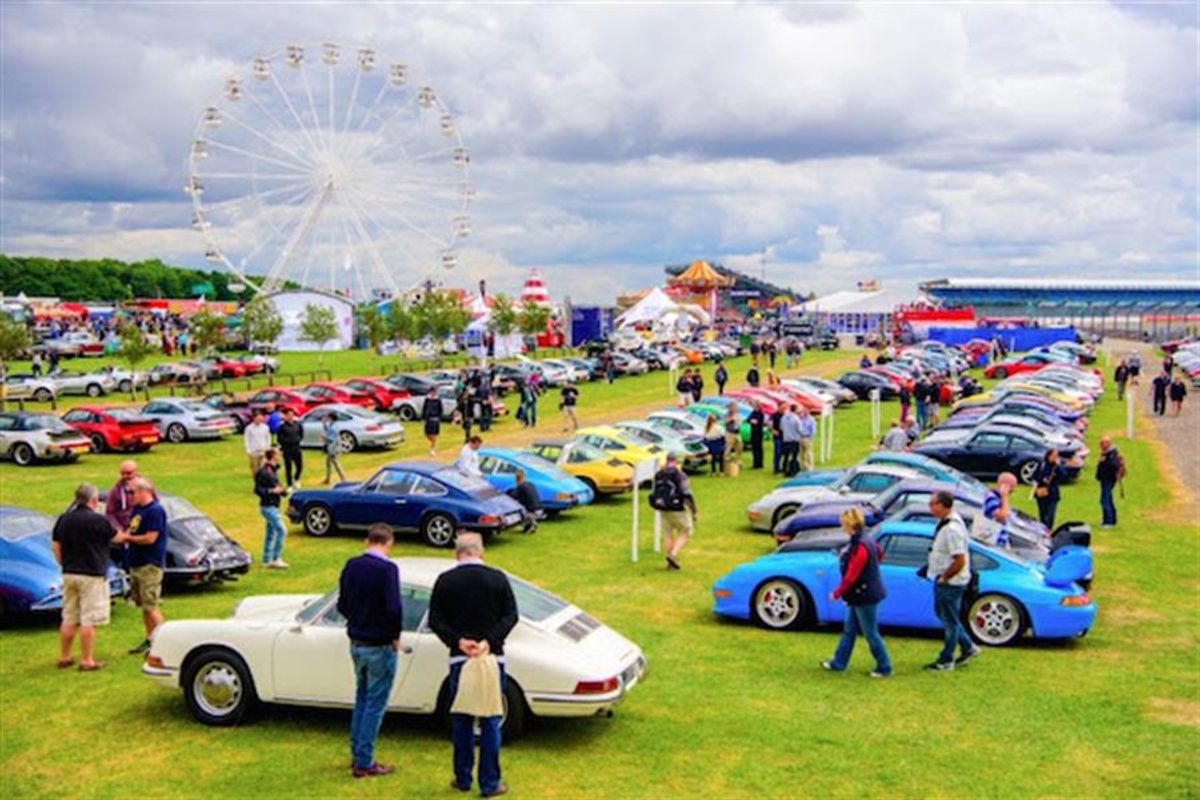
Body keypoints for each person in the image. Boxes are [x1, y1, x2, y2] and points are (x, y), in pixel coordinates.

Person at [428, 533, 518, 798]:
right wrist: (490, 641)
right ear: (481, 552)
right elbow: (511, 615)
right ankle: (490, 782)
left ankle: (462, 776)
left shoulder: (446, 581)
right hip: (492, 657)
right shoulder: (497, 578)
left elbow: (436, 619)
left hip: (460, 658)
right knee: (490, 718)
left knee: (461, 717)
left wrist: (458, 641)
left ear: (457, 553)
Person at [337, 523, 402, 778]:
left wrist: (358, 620)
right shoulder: (387, 570)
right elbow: (394, 608)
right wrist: (394, 636)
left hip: (357, 641)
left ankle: (357, 751)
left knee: (362, 698)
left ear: (368, 541)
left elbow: (343, 603)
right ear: (389, 543)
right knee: (375, 702)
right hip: (379, 643)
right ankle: (364, 760)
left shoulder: (352, 565)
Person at [52, 483, 117, 671]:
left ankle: (64, 657)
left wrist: (63, 563)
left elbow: (55, 546)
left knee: (69, 616)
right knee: (89, 619)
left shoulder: (64, 519)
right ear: (94, 500)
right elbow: (117, 537)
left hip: (69, 572)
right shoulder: (98, 521)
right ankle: (87, 660)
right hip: (92, 574)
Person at [822, 507, 892, 678]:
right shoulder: (866, 538)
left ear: (848, 525)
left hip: (865, 595)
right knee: (849, 630)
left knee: (870, 633)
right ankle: (839, 662)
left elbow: (852, 576)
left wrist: (836, 593)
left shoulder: (859, 545)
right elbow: (880, 553)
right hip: (861, 594)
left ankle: (884, 666)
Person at [924, 491, 980, 671]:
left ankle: (946, 659)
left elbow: (960, 559)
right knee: (946, 615)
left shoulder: (952, 529)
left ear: (942, 505)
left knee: (950, 620)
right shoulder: (947, 523)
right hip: (945, 578)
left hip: (951, 582)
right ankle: (968, 646)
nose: (930, 507)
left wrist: (945, 577)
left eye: (932, 504)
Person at [120, 478, 168, 655]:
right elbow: (134, 530)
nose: (130, 496)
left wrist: (127, 539)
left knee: (151, 605)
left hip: (150, 563)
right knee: (143, 605)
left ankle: (167, 641)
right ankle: (150, 639)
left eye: (132, 492)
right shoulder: (138, 509)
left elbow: (150, 538)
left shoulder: (155, 511)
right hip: (136, 562)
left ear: (143, 491)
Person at [650, 454, 697, 570]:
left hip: (662, 507)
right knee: (686, 530)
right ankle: (673, 554)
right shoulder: (680, 475)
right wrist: (694, 510)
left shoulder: (659, 474)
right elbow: (687, 494)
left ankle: (670, 562)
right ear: (677, 461)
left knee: (668, 534)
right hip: (677, 508)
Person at [257, 448, 289, 569]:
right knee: (282, 530)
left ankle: (266, 559)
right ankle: (276, 558)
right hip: (267, 506)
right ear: (273, 456)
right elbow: (258, 490)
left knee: (270, 533)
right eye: (277, 454)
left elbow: (277, 486)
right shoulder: (264, 472)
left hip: (274, 506)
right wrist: (272, 491)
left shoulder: (273, 471)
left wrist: (283, 491)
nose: (280, 455)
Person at [1095, 436, 1124, 528]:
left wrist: (1104, 462)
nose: (1100, 446)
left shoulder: (1111, 454)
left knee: (1104, 500)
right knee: (1108, 498)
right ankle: (1108, 519)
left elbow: (1113, 466)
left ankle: (1109, 521)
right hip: (1105, 479)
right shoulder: (1106, 453)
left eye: (1102, 444)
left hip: (1108, 479)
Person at [1033, 448, 1064, 529]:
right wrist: (1043, 479)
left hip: (1053, 493)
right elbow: (1034, 476)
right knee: (1042, 513)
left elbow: (1063, 476)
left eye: (1057, 456)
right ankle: (1042, 528)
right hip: (1042, 492)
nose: (1055, 458)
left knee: (1050, 514)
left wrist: (1059, 466)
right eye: (1054, 456)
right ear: (1049, 456)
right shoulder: (1042, 464)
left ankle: (1049, 529)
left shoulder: (1057, 466)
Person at [275, 408, 304, 489]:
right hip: (287, 449)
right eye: (288, 415)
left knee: (299, 466)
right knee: (288, 467)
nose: (290, 417)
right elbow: (279, 439)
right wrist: (288, 441)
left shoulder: (298, 425)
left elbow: (301, 435)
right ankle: (289, 484)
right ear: (285, 416)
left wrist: (297, 440)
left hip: (297, 448)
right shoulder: (282, 427)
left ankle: (296, 478)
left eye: (292, 415)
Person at [321, 413, 347, 484]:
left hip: (334, 448)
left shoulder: (334, 427)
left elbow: (332, 438)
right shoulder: (332, 425)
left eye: (328, 417)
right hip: (332, 447)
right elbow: (328, 430)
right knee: (329, 463)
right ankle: (328, 479)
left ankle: (343, 479)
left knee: (335, 463)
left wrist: (324, 438)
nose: (327, 419)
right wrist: (324, 424)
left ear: (331, 418)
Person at [244, 409, 271, 479]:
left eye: (260, 418)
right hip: (254, 452)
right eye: (258, 418)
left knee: (263, 468)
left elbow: (268, 438)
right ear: (254, 418)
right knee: (255, 469)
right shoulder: (249, 428)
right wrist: (248, 450)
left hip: (263, 451)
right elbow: (247, 439)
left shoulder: (265, 427)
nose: (259, 420)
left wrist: (268, 448)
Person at [779, 404, 802, 476]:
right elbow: (800, 429)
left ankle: (785, 470)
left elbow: (781, 428)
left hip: (786, 440)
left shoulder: (784, 417)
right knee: (794, 456)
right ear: (795, 410)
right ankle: (793, 471)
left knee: (786, 456)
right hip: (794, 440)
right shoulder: (796, 418)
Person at [423, 387, 444, 455]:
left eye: (434, 392)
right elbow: (424, 408)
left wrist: (439, 418)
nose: (432, 393)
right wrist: (423, 418)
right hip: (428, 419)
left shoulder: (438, 400)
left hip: (435, 419)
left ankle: (432, 449)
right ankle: (434, 444)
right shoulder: (427, 399)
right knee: (427, 434)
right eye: (431, 392)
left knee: (433, 434)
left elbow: (441, 409)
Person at [747, 401, 765, 470]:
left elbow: (758, 422)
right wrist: (753, 421)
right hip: (753, 432)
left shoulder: (760, 414)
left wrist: (753, 421)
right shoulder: (753, 413)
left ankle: (760, 464)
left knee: (759, 448)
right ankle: (755, 463)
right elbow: (748, 420)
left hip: (759, 433)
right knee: (754, 448)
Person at [797, 406, 815, 471]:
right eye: (804, 411)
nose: (805, 412)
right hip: (800, 437)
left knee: (808, 453)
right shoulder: (801, 419)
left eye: (806, 411)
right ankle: (803, 467)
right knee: (801, 453)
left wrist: (811, 437)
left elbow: (813, 429)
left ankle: (810, 467)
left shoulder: (811, 419)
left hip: (807, 437)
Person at [769, 404, 785, 474]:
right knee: (777, 453)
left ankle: (782, 467)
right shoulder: (774, 415)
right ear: (778, 407)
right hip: (777, 437)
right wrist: (773, 431)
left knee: (783, 452)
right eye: (782, 407)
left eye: (784, 408)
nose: (783, 409)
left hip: (785, 437)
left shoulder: (785, 415)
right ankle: (776, 468)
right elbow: (769, 423)